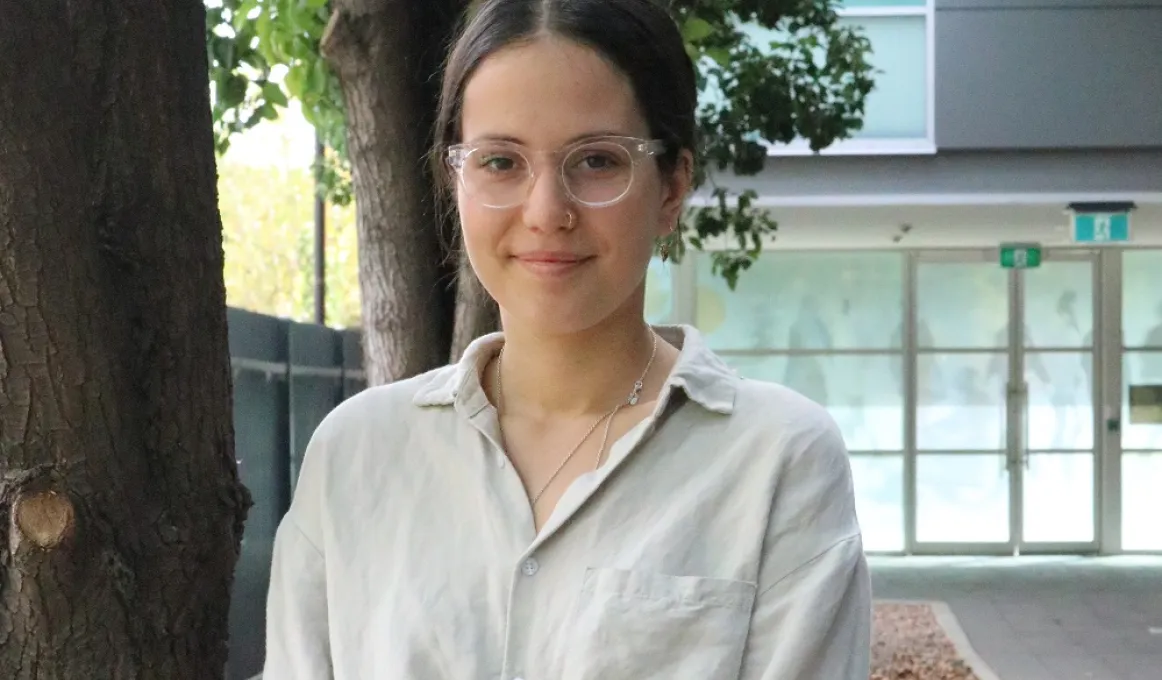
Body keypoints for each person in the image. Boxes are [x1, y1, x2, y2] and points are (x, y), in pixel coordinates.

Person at [262, 0, 871, 678]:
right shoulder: (358, 455)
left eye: (598, 161)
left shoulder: (775, 461)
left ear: (672, 189)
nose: (548, 212)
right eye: (500, 161)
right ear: (454, 181)